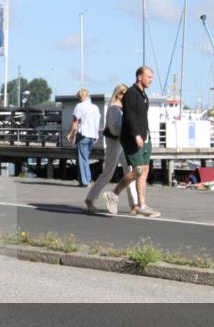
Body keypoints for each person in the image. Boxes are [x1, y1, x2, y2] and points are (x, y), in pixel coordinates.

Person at [104, 66, 160, 217]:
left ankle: (142, 205)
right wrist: (136, 135)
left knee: (144, 171)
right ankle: (114, 194)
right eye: (148, 77)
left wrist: (145, 135)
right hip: (133, 138)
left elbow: (142, 118)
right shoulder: (130, 94)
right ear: (139, 77)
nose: (151, 80)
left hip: (145, 137)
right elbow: (129, 116)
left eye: (152, 77)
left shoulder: (144, 95)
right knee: (138, 170)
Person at [85, 84, 138, 212]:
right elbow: (114, 128)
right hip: (115, 142)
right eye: (124, 93)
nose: (127, 96)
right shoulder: (115, 108)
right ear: (119, 94)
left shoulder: (123, 108)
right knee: (108, 172)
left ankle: (134, 204)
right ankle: (90, 199)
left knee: (129, 171)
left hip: (123, 142)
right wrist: (127, 131)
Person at [66, 88, 100, 187]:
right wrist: (97, 135)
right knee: (86, 158)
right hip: (92, 135)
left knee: (82, 159)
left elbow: (75, 122)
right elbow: (97, 122)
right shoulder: (95, 107)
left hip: (83, 134)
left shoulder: (79, 106)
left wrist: (70, 134)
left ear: (80, 96)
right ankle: (85, 179)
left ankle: (85, 181)